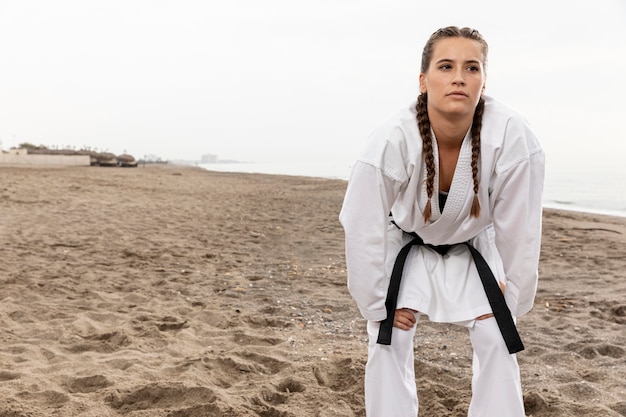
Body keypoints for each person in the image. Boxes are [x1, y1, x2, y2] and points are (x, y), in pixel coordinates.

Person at [339, 26, 545, 417]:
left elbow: (521, 229)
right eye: (446, 66)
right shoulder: (391, 139)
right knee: (389, 337)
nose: (458, 78)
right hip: (407, 243)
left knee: (496, 334)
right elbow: (361, 224)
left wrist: (511, 296)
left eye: (471, 68)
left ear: (483, 82)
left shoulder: (514, 137)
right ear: (423, 80)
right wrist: (375, 301)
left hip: (474, 246)